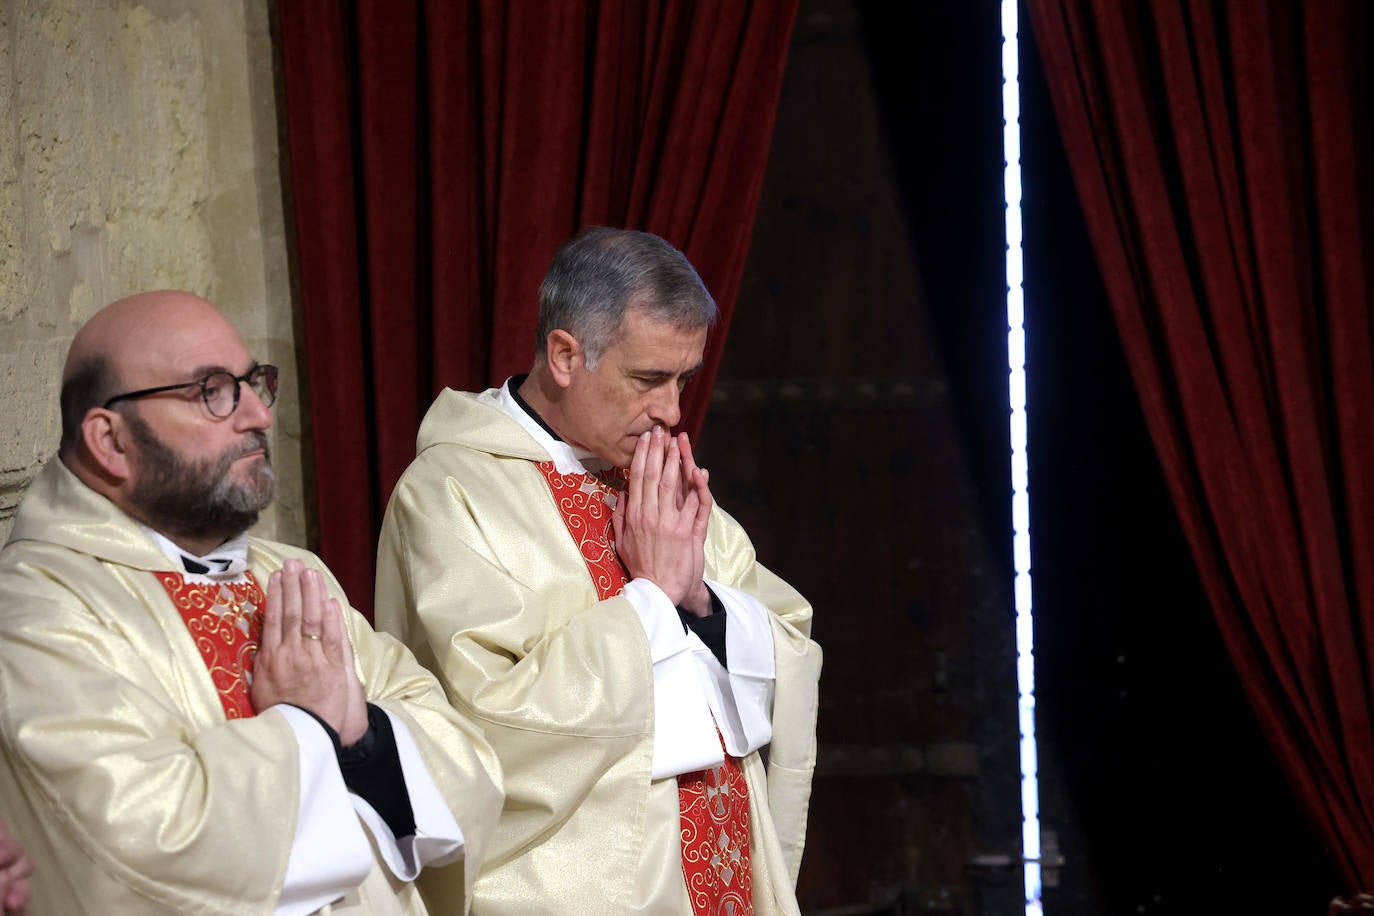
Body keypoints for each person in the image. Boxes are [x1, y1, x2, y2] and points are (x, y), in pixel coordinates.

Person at [0, 291, 503, 914]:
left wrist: (364, 738)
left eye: (253, 382)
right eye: (211, 391)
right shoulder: (38, 610)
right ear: (111, 440)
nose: (259, 415)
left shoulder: (285, 572)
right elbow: (131, 842)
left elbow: (460, 748)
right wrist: (309, 726)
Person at [375, 227, 822, 914]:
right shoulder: (452, 494)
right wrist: (652, 602)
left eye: (683, 380)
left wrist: (700, 604)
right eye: (648, 379)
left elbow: (787, 638)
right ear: (565, 355)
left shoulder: (657, 476)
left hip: (725, 867)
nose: (672, 412)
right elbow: (481, 722)